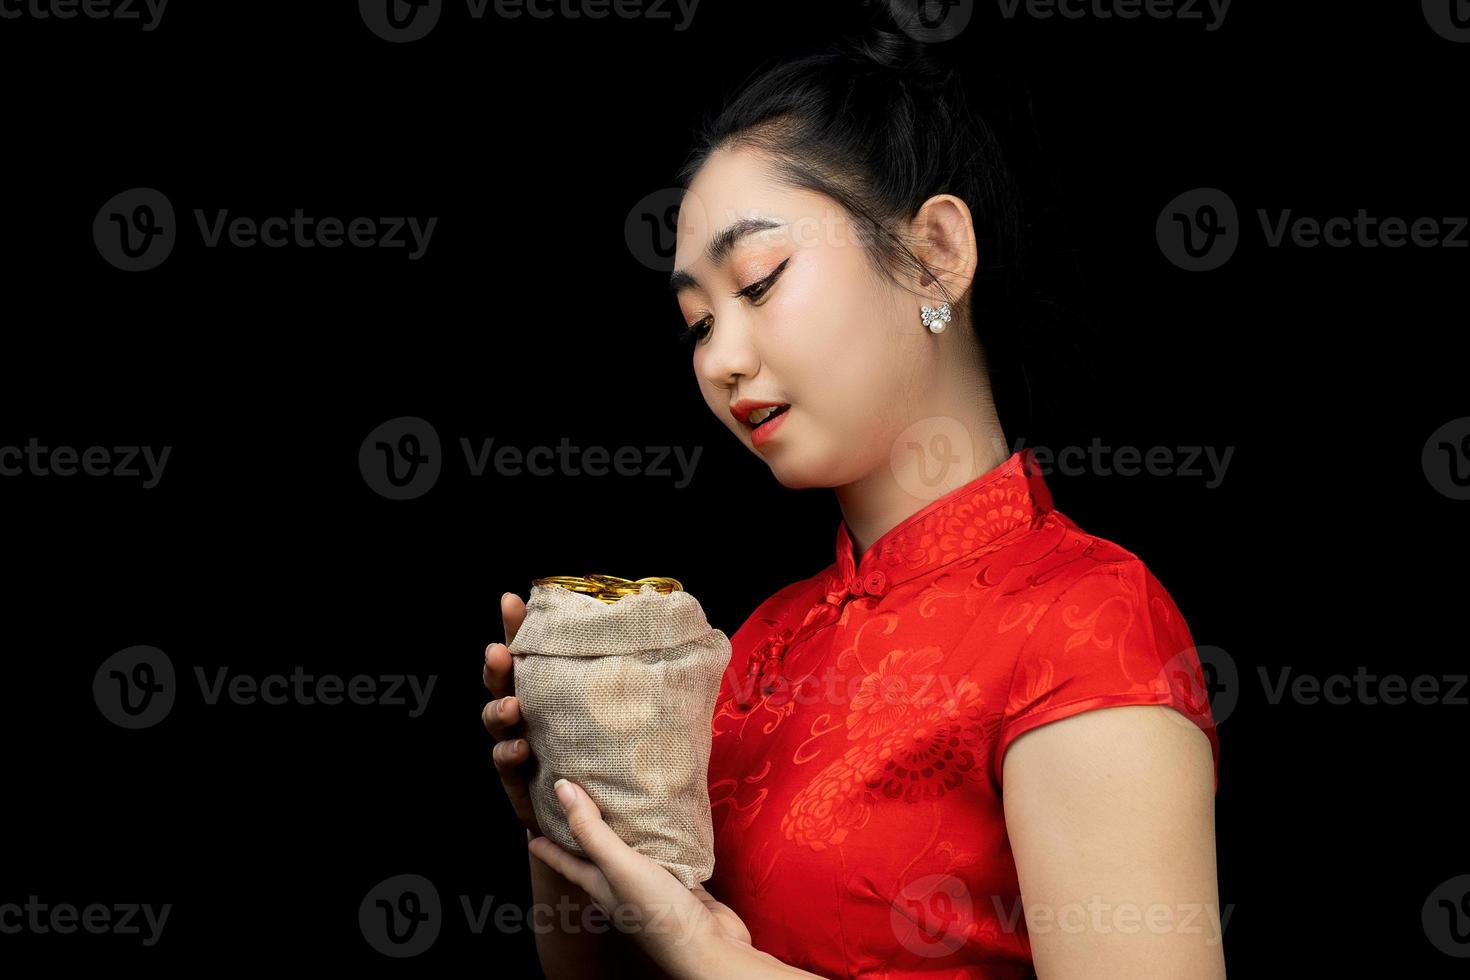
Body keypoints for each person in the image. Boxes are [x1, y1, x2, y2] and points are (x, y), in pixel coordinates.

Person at [484, 5, 1224, 977]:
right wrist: (572, 827)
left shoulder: (1086, 624)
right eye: (698, 323)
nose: (722, 358)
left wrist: (714, 955)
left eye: (757, 282)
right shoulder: (750, 647)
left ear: (934, 253)